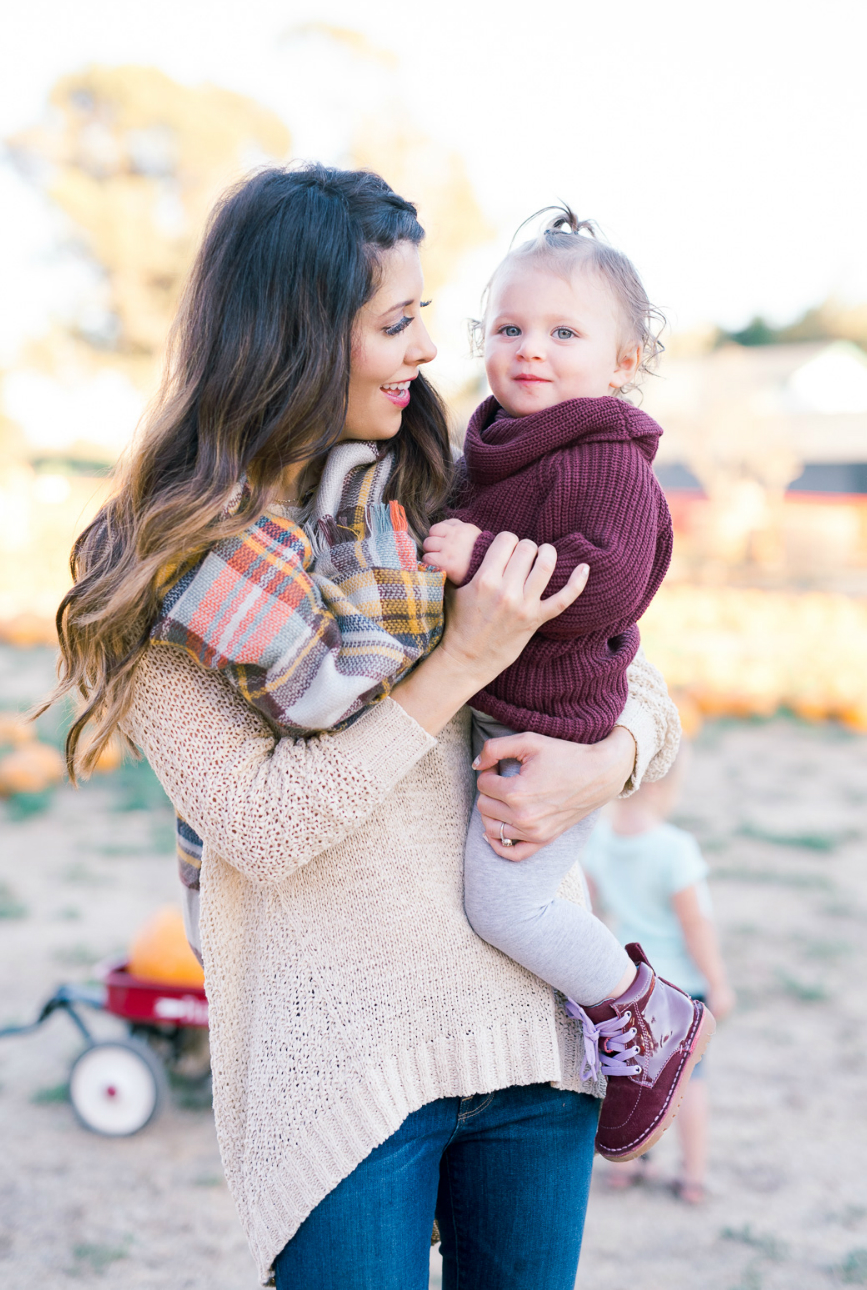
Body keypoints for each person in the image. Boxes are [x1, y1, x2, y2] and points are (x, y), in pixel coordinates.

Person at [47, 164, 681, 1290]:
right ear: (294, 336)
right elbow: (265, 824)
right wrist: (462, 663)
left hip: (532, 1047)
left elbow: (639, 683)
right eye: (397, 322)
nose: (431, 349)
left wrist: (606, 763)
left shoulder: (443, 487)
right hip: (343, 1082)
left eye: (428, 316)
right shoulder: (163, 574)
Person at [423, 211, 713, 1160]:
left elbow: (606, 586)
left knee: (506, 904)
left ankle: (643, 1010)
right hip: (497, 704)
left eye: (563, 332)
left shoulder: (607, 461)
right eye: (509, 329)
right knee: (527, 890)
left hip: (552, 723)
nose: (530, 350)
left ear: (623, 359)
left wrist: (480, 559)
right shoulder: (504, 440)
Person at [582, 747, 736, 1203]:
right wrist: (719, 982)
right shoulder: (675, 848)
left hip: (636, 984)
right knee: (690, 1082)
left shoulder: (599, 840)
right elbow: (695, 925)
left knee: (637, 1076)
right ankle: (693, 1173)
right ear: (662, 786)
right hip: (681, 991)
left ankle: (633, 1161)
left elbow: (589, 910)